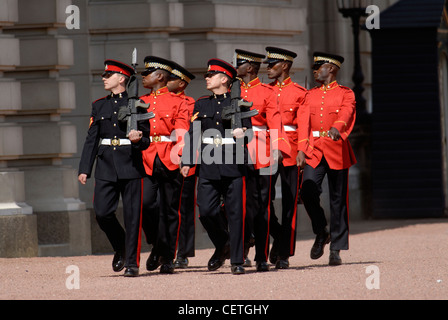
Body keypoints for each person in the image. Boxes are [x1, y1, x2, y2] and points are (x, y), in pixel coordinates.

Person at [78, 59, 150, 277]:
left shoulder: (138, 103)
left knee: (132, 217)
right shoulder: (99, 105)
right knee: (102, 213)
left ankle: (132, 263)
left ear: (121, 79)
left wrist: (138, 140)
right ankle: (121, 246)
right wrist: (85, 168)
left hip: (130, 164)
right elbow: (92, 139)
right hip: (106, 165)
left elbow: (146, 141)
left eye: (108, 75)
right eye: (104, 75)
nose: (103, 78)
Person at [180, 58, 252, 275]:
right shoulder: (202, 103)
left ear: (224, 79)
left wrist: (243, 134)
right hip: (209, 165)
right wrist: (187, 160)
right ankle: (224, 243)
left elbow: (249, 130)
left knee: (235, 213)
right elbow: (194, 134)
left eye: (211, 75)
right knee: (206, 210)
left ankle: (237, 261)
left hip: (233, 162)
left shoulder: (240, 102)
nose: (207, 78)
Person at [233, 49, 290, 271]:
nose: (234, 68)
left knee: (262, 207)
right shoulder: (231, 90)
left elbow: (275, 123)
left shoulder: (266, 92)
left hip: (262, 151)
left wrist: (277, 148)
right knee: (243, 206)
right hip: (236, 152)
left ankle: (261, 256)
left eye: (238, 65)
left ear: (249, 68)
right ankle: (241, 250)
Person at [300, 52, 356, 266]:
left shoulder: (346, 93)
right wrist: (302, 149)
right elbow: (303, 123)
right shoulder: (309, 94)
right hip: (314, 149)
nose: (315, 71)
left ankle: (336, 248)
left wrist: (337, 127)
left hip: (336, 148)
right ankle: (321, 230)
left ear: (331, 69)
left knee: (338, 200)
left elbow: (347, 111)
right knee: (307, 189)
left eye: (318, 68)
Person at [140, 56, 190, 274]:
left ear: (159, 76)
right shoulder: (140, 101)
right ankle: (157, 246)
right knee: (146, 204)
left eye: (147, 73)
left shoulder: (178, 102)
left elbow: (181, 132)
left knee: (170, 210)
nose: (143, 77)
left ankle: (168, 256)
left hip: (170, 158)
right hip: (145, 157)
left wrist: (181, 158)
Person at [264, 47, 313, 269]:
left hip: (291, 150)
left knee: (289, 203)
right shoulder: (265, 90)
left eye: (272, 65)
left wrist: (302, 150)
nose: (267, 69)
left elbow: (304, 124)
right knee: (263, 199)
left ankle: (284, 252)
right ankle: (278, 236)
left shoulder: (300, 92)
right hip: (267, 149)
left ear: (284, 66)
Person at [166, 61, 197, 269]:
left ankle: (183, 251)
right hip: (163, 157)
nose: (167, 82)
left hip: (184, 158)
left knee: (183, 206)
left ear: (181, 84)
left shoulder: (189, 103)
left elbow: (189, 134)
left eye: (171, 79)